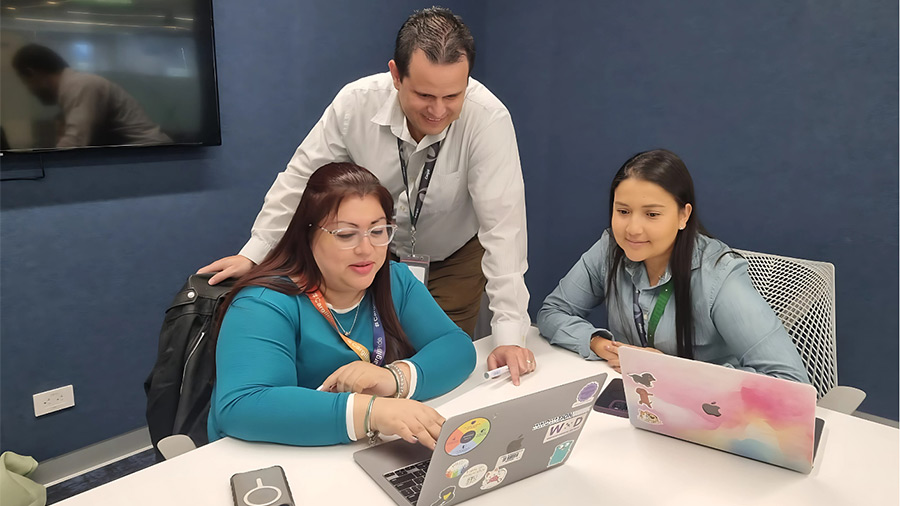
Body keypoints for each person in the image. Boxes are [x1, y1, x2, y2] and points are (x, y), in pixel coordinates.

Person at [198, 7, 535, 384]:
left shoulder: (487, 119)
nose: (438, 111)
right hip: (376, 251)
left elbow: (505, 229)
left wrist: (509, 335)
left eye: (452, 96)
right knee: (369, 357)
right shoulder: (355, 103)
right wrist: (255, 254)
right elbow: (299, 181)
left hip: (454, 253)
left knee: (440, 368)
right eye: (424, 94)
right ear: (395, 75)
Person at [208, 162, 476, 448]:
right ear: (308, 235)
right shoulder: (262, 303)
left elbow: (456, 347)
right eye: (346, 235)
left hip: (350, 452)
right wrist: (371, 411)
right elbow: (243, 406)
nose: (365, 249)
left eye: (378, 231)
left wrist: (394, 379)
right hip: (274, 458)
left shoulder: (395, 280)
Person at [536, 149, 809, 382]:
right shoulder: (610, 249)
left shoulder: (719, 275)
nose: (632, 228)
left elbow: (789, 380)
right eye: (623, 211)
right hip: (638, 405)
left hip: (710, 415)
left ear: (683, 216)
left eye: (652, 214)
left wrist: (671, 371)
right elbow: (553, 312)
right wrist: (599, 344)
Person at [11, 43, 171, 148]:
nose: (29, 90)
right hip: (140, 158)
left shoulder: (80, 86)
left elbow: (74, 144)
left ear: (31, 73)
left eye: (25, 82)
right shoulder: (74, 88)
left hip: (153, 157)